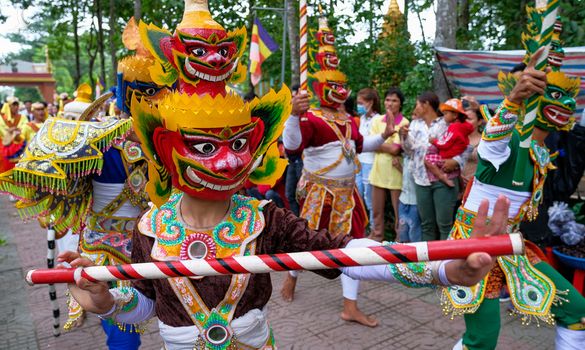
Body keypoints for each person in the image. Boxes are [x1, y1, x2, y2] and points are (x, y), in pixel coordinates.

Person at [55, 6, 508, 346]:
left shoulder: (266, 221)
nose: (230, 162)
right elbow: (148, 303)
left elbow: (350, 253)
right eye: (206, 147)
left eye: (238, 145)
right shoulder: (149, 228)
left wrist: (443, 270)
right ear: (165, 150)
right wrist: (108, 301)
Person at [443, 19, 585, 349]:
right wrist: (514, 102)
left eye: (568, 95)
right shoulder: (509, 141)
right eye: (553, 92)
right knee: (482, 339)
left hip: (511, 246)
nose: (563, 103)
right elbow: (491, 143)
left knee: (577, 312)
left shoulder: (540, 150)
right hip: (473, 247)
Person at [280, 12, 396, 327]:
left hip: (348, 196)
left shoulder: (348, 120)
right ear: (320, 87)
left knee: (353, 245)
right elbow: (292, 147)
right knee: (305, 239)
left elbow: (357, 146)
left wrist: (383, 136)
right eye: (333, 86)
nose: (341, 91)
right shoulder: (312, 117)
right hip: (319, 194)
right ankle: (292, 277)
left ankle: (350, 306)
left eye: (342, 86)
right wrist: (292, 115)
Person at [400, 92, 471, 241]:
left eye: (417, 104)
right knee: (426, 225)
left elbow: (465, 146)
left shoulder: (446, 123)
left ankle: (445, 262)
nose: (415, 108)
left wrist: (456, 161)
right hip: (421, 179)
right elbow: (409, 150)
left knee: (445, 225)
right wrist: (404, 136)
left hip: (444, 179)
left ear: (426, 104)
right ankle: (429, 263)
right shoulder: (414, 125)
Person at [368, 88, 409, 241]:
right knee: (376, 209)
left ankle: (400, 239)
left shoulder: (404, 122)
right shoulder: (377, 120)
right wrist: (384, 145)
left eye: (394, 100)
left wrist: (379, 143)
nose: (390, 103)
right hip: (378, 169)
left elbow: (395, 149)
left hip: (395, 171)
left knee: (399, 210)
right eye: (388, 99)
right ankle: (377, 236)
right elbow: (370, 144)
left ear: (400, 104)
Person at [424, 98, 473, 188]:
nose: (444, 116)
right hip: (450, 159)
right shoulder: (462, 127)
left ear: (455, 115)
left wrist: (433, 141)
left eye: (446, 114)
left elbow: (446, 143)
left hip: (447, 158)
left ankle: (444, 179)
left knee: (428, 159)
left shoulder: (454, 127)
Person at [355, 87, 381, 232]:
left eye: (361, 102)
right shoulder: (362, 119)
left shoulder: (378, 119)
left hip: (371, 163)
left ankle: (374, 230)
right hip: (359, 163)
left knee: (370, 200)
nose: (359, 106)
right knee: (358, 198)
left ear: (370, 102)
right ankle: (360, 228)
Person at [284, 84, 303, 216]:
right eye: (292, 97)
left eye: (296, 96)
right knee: (290, 193)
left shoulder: (307, 116)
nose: (294, 100)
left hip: (303, 160)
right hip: (291, 160)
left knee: (302, 194)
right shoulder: (288, 114)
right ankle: (298, 221)